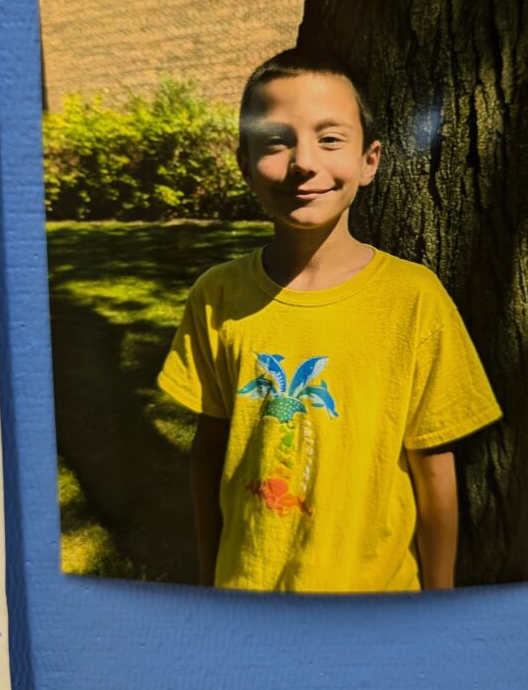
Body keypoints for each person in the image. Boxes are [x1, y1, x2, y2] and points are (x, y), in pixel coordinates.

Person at [158, 48, 501, 592]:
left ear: (370, 161)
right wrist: (208, 573)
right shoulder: (215, 295)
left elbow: (435, 466)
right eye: (276, 140)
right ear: (244, 163)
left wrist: (439, 602)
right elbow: (209, 451)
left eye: (331, 139)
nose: (304, 162)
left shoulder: (414, 298)